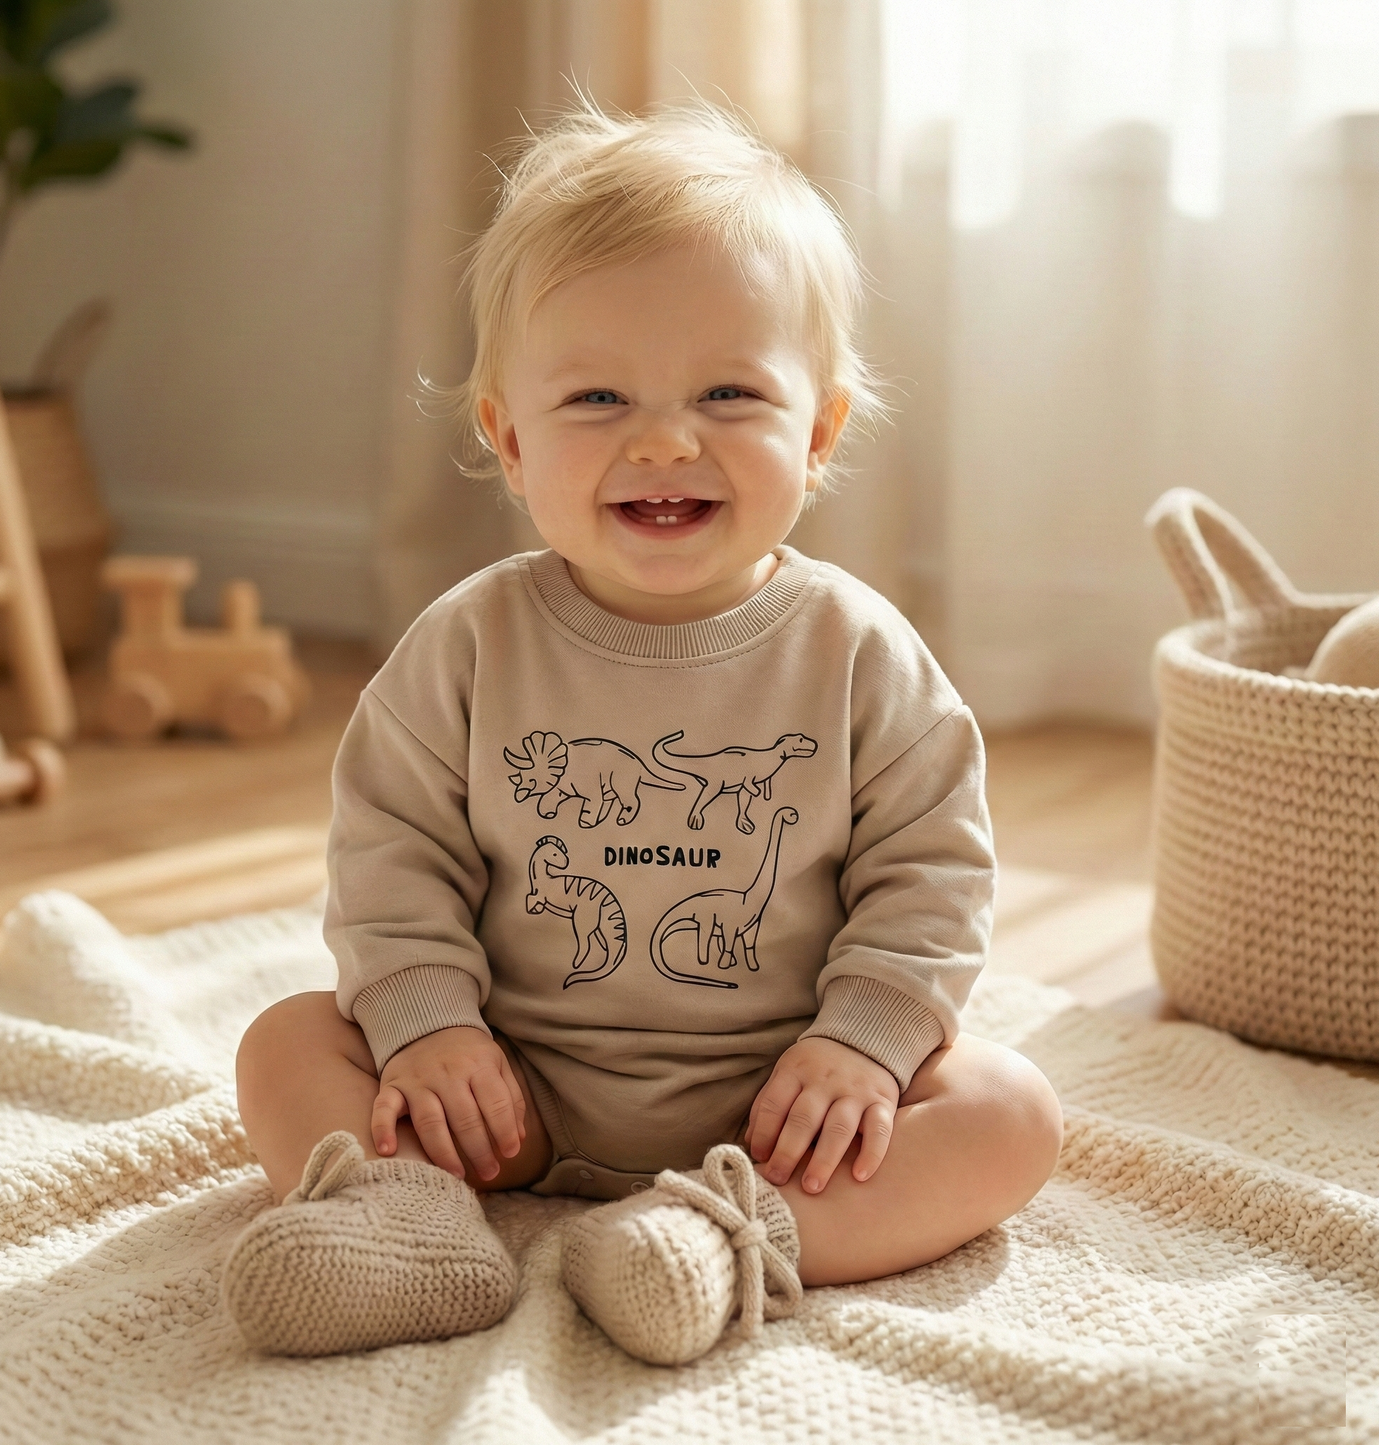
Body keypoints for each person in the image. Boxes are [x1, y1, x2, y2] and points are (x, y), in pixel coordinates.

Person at [222, 100, 1064, 1365]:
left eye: (728, 391)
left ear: (818, 432)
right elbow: (388, 849)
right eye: (598, 395)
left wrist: (862, 1043)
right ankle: (410, 1218)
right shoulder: (466, 643)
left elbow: (932, 868)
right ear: (508, 439)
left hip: (779, 1107)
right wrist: (428, 1024)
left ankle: (728, 1240)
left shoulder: (856, 652)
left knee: (1010, 1110)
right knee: (286, 1042)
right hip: (506, 1094)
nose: (663, 438)